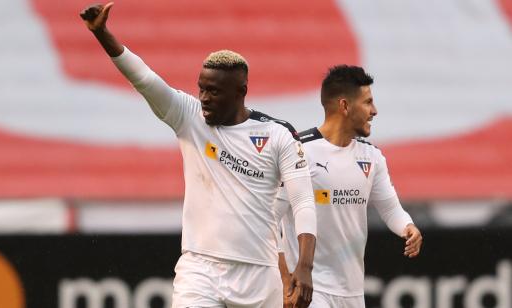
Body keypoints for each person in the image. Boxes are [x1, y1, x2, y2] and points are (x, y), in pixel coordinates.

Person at [80, 3, 317, 307]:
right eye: (201, 88)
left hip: (259, 273)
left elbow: (303, 201)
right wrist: (101, 33)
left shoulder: (278, 135)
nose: (204, 98)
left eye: (214, 91)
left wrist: (305, 266)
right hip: (200, 269)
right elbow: (145, 79)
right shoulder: (189, 117)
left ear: (241, 91)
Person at [277, 65, 423, 308]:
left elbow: (390, 208)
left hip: (353, 292)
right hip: (309, 288)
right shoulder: (298, 150)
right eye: (367, 102)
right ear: (344, 106)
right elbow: (269, 220)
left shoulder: (371, 157)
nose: (374, 111)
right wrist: (284, 279)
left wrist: (407, 226)